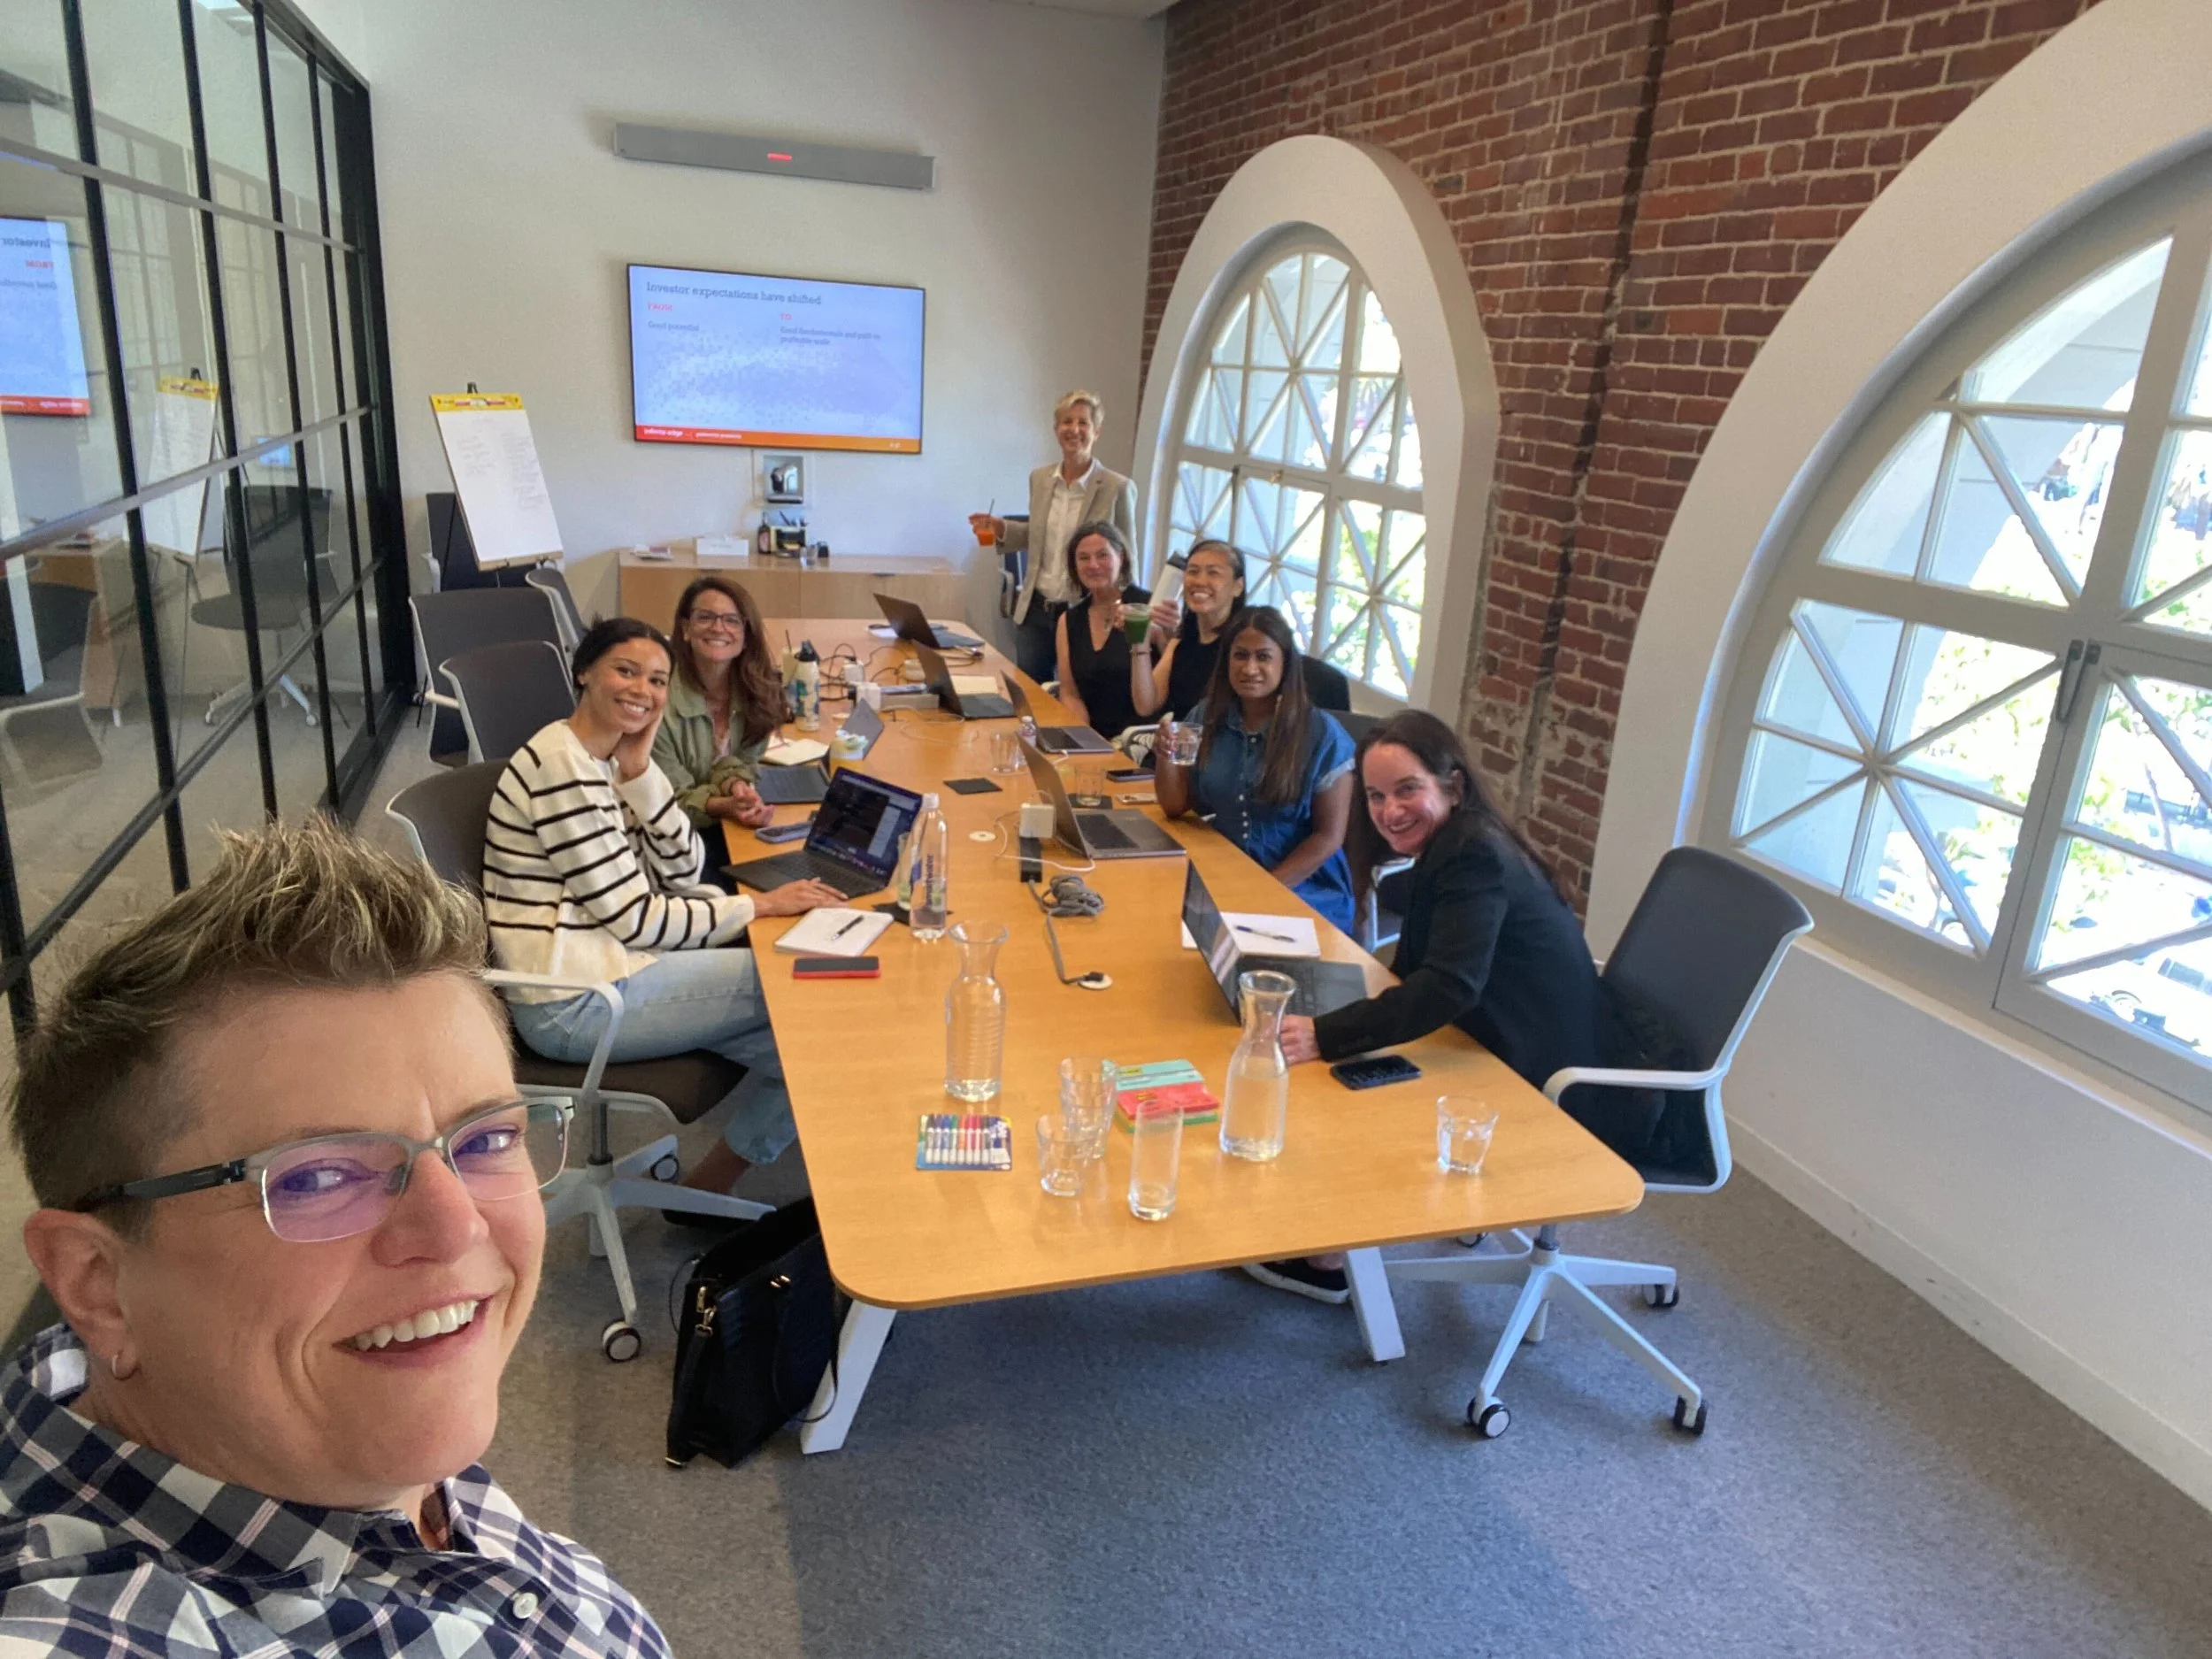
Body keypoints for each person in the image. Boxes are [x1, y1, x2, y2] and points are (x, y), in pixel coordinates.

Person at [2, 818, 671, 1652]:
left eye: (487, 1139)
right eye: (318, 1175)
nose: (457, 1224)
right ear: (96, 1284)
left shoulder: (292, 1425)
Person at [1248, 710, 1673, 1305]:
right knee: (1355, 1053)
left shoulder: (1475, 855)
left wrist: (1327, 1032)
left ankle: (1328, 1257)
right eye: (1374, 795)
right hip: (1521, 1037)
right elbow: (1431, 968)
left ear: (1452, 785)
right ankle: (1327, 1235)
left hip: (1560, 1085)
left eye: (1407, 789)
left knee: (1349, 1076)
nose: (1389, 810)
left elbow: (1448, 985)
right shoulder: (1461, 839)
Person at [484, 617, 841, 1208]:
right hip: (575, 1000)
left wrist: (642, 770)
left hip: (613, 966)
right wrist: (760, 905)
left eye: (656, 680)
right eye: (626, 671)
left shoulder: (601, 761)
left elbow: (681, 872)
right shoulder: (562, 767)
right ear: (584, 673)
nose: (643, 691)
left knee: (816, 1041)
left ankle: (711, 1186)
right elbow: (639, 919)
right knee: (801, 986)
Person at [1154, 604, 1356, 932]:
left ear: (1285, 664)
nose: (1250, 669)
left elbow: (1329, 837)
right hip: (1225, 871)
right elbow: (1176, 806)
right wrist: (1165, 755)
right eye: (1240, 656)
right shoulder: (1207, 716)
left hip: (1302, 887)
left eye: (1263, 657)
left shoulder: (1322, 734)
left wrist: (1262, 890)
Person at [969, 389, 1139, 684]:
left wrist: (1127, 611)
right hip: (1037, 609)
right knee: (1031, 694)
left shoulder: (1117, 487)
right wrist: (1002, 528)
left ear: (1096, 432)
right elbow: (1041, 533)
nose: (1074, 430)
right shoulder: (1040, 479)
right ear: (1056, 430)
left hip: (1085, 611)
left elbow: (1128, 556)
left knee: (1081, 693)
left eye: (1083, 423)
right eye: (1067, 422)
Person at [653, 573, 784, 833]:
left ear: (746, 635)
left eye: (731, 620)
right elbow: (669, 801)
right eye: (705, 617)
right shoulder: (658, 702)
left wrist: (737, 786)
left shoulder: (758, 695)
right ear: (686, 629)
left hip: (726, 825)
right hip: (674, 838)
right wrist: (724, 805)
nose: (718, 628)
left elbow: (744, 763)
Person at [1052, 520, 1149, 740]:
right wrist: (1085, 740)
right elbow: (1070, 694)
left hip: (1137, 738)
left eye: (1102, 555)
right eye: (1083, 558)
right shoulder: (1068, 620)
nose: (1093, 565)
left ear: (1121, 557)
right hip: (1090, 737)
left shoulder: (1146, 608)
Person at [1132, 538, 1248, 722]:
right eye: (1193, 571)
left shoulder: (1243, 646)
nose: (1200, 581)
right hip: (1174, 745)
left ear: (1237, 586)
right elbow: (1146, 705)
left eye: (1213, 573)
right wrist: (1140, 638)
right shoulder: (1182, 640)